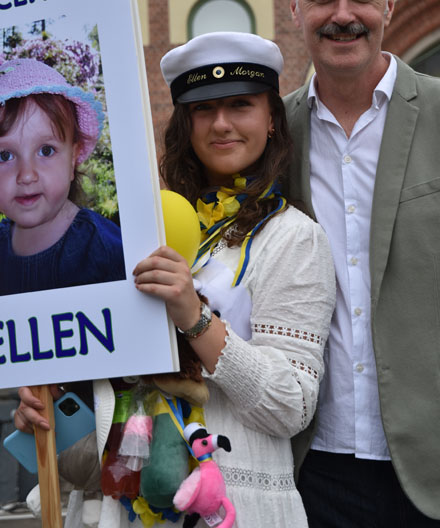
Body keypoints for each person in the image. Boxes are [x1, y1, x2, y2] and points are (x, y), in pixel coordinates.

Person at [16, 32, 336, 528]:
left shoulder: (295, 238)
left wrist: (195, 317)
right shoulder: (138, 231)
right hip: (123, 505)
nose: (221, 123)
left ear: (272, 119)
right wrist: (49, 400)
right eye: (204, 109)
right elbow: (108, 376)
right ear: (186, 124)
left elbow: (290, 406)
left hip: (237, 511)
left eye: (240, 105)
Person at [284, 0, 440, 527]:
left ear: (390, 4)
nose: (343, 15)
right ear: (295, 7)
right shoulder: (273, 135)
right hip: (310, 471)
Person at [0, 58, 126, 294]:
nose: (26, 175)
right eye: (4, 156)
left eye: (46, 151)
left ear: (73, 158)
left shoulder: (107, 251)